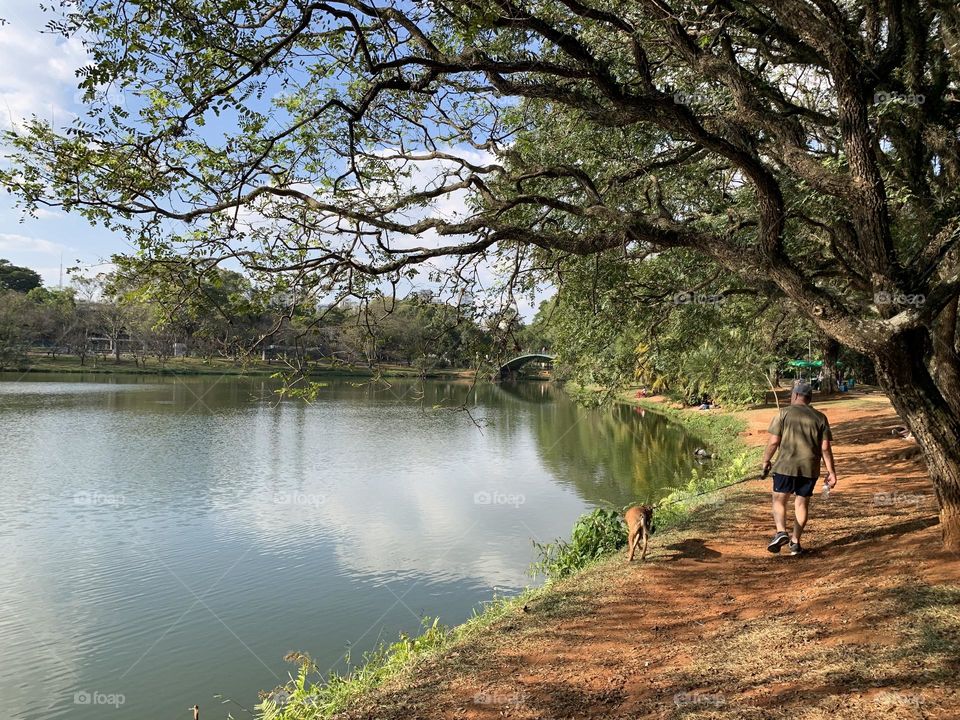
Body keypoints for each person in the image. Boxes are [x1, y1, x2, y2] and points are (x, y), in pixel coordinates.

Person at [761, 381, 837, 556]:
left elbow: (774, 442)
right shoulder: (820, 417)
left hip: (785, 467)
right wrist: (831, 472)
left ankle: (781, 532)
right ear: (809, 398)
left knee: (779, 500)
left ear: (795, 395)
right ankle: (795, 542)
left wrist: (766, 461)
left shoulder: (783, 413)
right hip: (809, 468)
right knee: (802, 503)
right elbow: (825, 447)